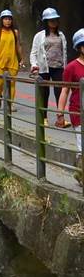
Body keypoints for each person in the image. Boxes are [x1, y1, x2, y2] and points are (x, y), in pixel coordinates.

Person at [30, 7, 69, 128]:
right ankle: (44, 117)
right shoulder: (39, 36)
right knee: (44, 93)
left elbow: (64, 53)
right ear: (45, 21)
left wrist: (66, 67)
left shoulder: (61, 35)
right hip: (44, 68)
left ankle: (60, 119)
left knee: (60, 92)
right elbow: (34, 52)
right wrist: (34, 64)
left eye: (55, 20)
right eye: (50, 20)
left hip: (58, 67)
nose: (53, 22)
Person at [57, 28, 84, 185]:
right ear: (79, 47)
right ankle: (82, 175)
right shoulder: (71, 68)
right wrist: (60, 114)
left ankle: (80, 173)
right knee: (82, 145)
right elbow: (65, 91)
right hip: (78, 111)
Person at [0, 10, 23, 111]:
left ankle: (10, 104)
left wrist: (21, 58)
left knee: (12, 83)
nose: (8, 21)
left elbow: (18, 46)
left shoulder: (15, 32)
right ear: (2, 20)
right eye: (5, 19)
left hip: (12, 60)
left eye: (9, 19)